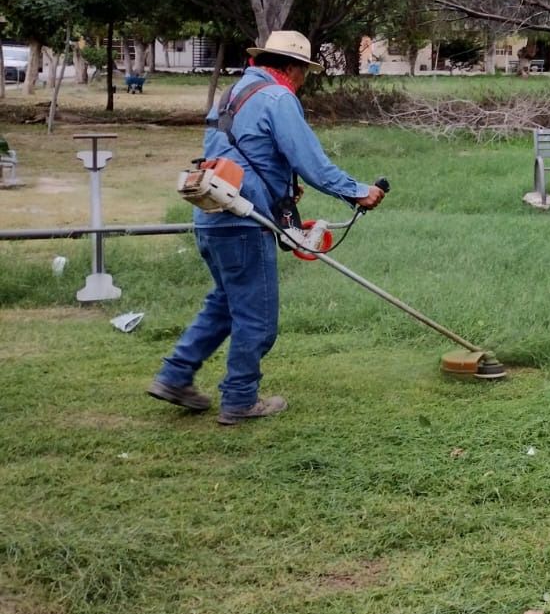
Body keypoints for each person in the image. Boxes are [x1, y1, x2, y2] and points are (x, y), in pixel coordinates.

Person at [147, 31, 385, 426]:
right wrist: (358, 192)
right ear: (292, 69)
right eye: (305, 72)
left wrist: (282, 188)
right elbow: (312, 162)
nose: (304, 79)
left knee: (225, 302)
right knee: (256, 317)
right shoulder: (279, 98)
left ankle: (174, 376)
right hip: (244, 223)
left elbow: (240, 152)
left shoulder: (233, 94)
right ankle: (240, 399)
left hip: (209, 215)